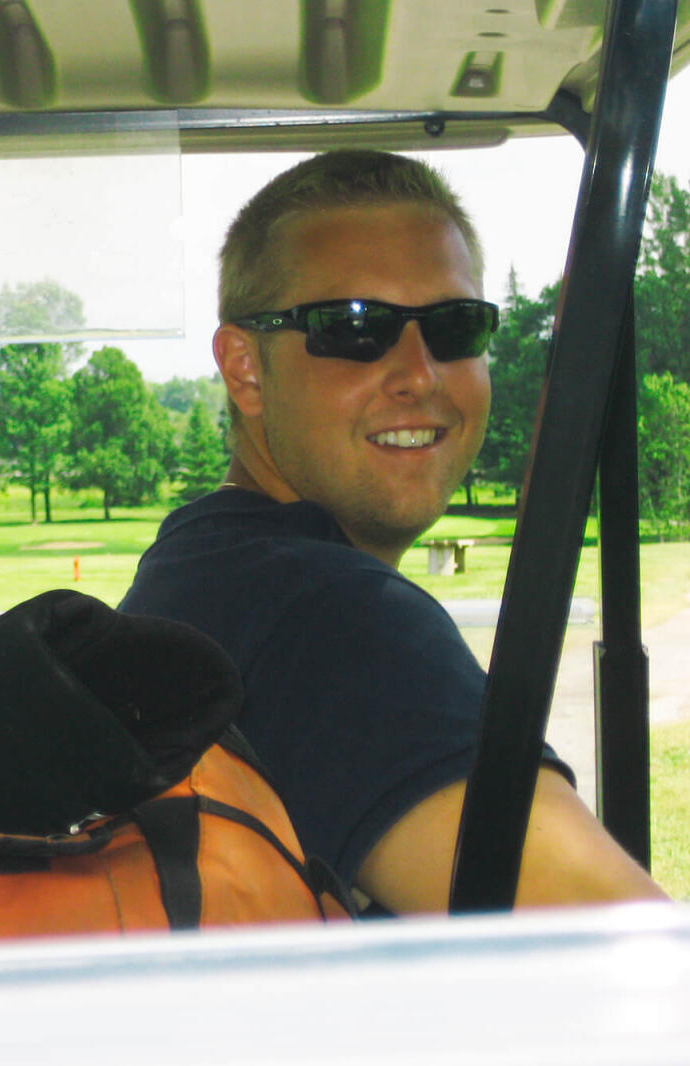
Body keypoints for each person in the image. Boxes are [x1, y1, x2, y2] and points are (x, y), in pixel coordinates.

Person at [119, 150, 665, 915]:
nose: (420, 373)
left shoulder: (203, 564)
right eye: (355, 328)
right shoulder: (327, 616)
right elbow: (618, 954)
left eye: (454, 326)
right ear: (244, 368)